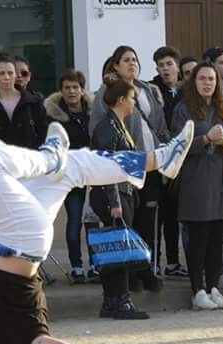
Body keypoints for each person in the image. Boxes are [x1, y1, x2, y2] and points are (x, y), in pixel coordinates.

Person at [0, 117, 195, 344]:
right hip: (21, 237)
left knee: (71, 167)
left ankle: (159, 160)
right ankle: (50, 156)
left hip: (4, 234)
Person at [91, 45, 169, 292]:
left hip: (150, 163)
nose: (132, 64)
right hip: (125, 169)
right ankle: (129, 278)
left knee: (148, 220)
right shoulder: (108, 92)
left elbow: (158, 123)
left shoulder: (146, 89)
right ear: (115, 65)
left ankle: (147, 270)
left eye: (135, 59)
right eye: (126, 60)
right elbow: (100, 131)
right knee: (127, 221)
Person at [171, 62, 223, 310]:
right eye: (202, 78)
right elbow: (177, 146)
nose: (207, 83)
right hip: (197, 181)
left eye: (212, 79)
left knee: (216, 239)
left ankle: (213, 287)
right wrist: (205, 139)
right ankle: (198, 290)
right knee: (199, 239)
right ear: (194, 82)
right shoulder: (184, 110)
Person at [90, 77, 150, 320]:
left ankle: (113, 302)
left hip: (123, 192)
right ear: (121, 100)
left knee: (115, 248)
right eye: (132, 98)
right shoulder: (107, 127)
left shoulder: (118, 125)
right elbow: (107, 166)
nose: (134, 102)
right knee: (117, 248)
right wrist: (114, 202)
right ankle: (119, 301)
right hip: (111, 195)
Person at [43, 69, 94, 283]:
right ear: (61, 91)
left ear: (82, 90)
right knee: (74, 221)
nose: (71, 91)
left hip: (92, 173)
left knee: (93, 222)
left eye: (75, 87)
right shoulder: (53, 116)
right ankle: (76, 266)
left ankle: (96, 264)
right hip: (70, 176)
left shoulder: (93, 112)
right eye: (67, 88)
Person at [150, 47, 188, 278]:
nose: (165, 69)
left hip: (183, 160)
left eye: (168, 64)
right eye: (160, 65)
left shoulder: (186, 92)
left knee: (174, 216)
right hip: (159, 158)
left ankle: (173, 262)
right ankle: (154, 260)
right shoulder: (152, 91)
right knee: (158, 216)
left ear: (177, 66)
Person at [0, 52, 47, 148]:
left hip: (28, 158)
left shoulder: (33, 102)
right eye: (1, 73)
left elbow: (43, 133)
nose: (6, 77)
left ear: (15, 75)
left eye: (10, 73)